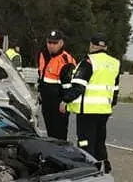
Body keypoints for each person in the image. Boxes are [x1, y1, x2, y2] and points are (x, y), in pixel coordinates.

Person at [61, 33, 121, 173]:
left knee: (85, 143)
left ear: (92, 45)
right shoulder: (115, 63)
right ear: (105, 47)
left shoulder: (88, 62)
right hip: (104, 110)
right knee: (100, 142)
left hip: (87, 111)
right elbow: (115, 89)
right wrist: (110, 104)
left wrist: (65, 101)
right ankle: (104, 170)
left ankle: (88, 171)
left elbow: (79, 87)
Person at [37, 30, 77, 141]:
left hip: (59, 102)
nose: (51, 45)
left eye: (55, 43)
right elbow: (41, 74)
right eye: (49, 42)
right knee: (50, 132)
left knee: (59, 134)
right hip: (46, 100)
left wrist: (65, 101)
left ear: (61, 43)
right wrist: (40, 91)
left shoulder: (66, 60)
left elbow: (69, 85)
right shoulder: (43, 54)